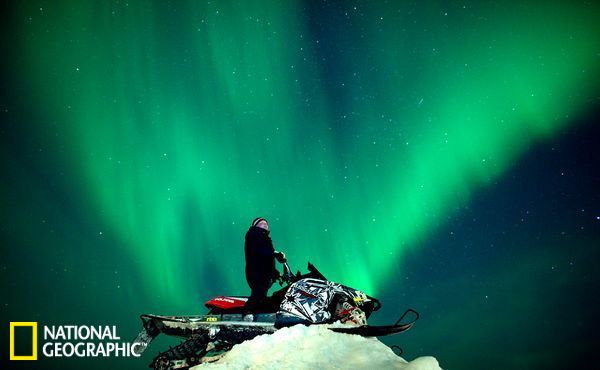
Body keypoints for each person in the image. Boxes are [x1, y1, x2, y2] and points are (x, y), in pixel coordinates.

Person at [244, 217, 286, 312]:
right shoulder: (254, 234)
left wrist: (275, 273)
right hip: (256, 272)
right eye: (261, 223)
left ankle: (258, 313)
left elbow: (267, 259)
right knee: (258, 293)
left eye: (266, 223)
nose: (265, 224)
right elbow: (260, 250)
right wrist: (275, 253)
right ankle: (247, 313)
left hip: (264, 273)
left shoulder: (265, 238)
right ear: (255, 226)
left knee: (261, 295)